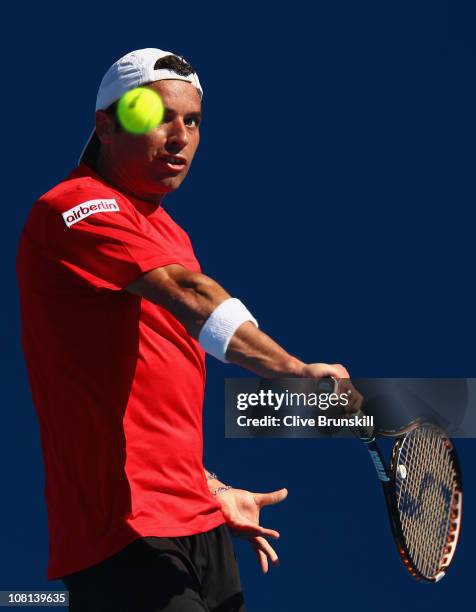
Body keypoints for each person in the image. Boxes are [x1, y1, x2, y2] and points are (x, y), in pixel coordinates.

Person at [16, 48, 362, 611]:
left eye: (193, 120)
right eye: (157, 116)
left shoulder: (168, 232)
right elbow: (192, 295)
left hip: (198, 530)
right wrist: (294, 372)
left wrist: (212, 489)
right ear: (105, 125)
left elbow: (146, 408)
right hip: (122, 533)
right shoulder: (73, 207)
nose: (178, 135)